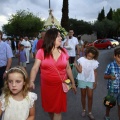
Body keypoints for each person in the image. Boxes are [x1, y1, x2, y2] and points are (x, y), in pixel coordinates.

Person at [30, 28, 77, 120]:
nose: (61, 38)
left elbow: (68, 68)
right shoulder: (41, 52)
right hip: (47, 87)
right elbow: (35, 68)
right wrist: (31, 80)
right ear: (51, 38)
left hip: (61, 85)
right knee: (50, 110)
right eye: (58, 36)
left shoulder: (64, 51)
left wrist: (73, 83)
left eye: (60, 36)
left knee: (57, 111)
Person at [74, 46, 99, 120]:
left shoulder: (95, 62)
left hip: (90, 80)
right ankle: (84, 109)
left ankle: (90, 112)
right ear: (86, 53)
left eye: (91, 56)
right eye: (88, 55)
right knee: (83, 95)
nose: (89, 57)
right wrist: (76, 66)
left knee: (90, 96)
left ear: (94, 56)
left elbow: (95, 72)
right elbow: (80, 71)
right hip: (82, 79)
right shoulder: (81, 60)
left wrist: (95, 82)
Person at [104, 47, 120, 120]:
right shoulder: (110, 65)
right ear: (115, 56)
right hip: (112, 90)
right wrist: (110, 76)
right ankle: (107, 116)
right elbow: (105, 76)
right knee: (109, 104)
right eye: (119, 57)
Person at [0, 31, 13, 95]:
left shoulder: (6, 46)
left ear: (0, 35)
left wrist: (6, 71)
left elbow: (10, 59)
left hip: (2, 69)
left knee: (3, 88)